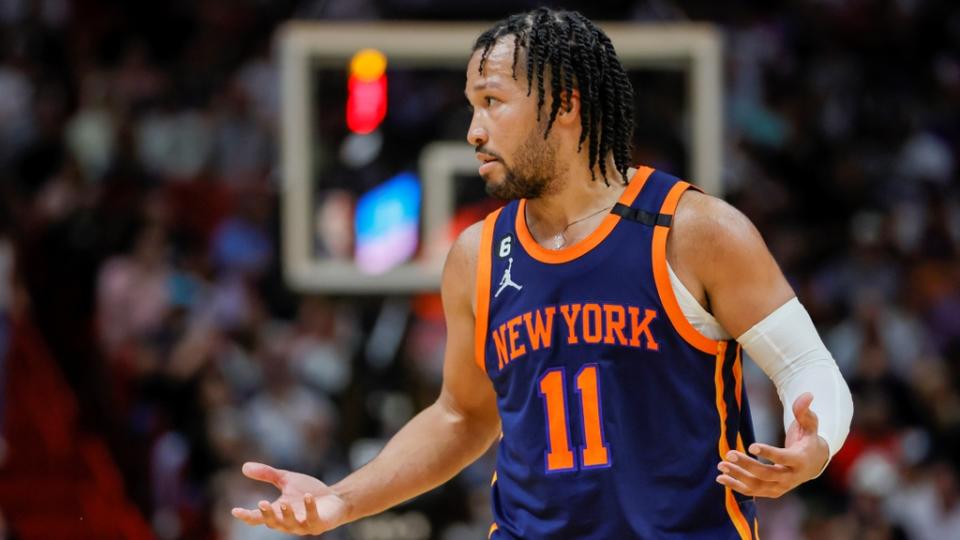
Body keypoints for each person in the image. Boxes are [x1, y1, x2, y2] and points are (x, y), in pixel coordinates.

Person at [232, 8, 853, 538]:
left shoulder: (693, 230)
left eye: (493, 103)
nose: (474, 131)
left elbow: (806, 366)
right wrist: (342, 499)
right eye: (472, 106)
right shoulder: (476, 253)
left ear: (566, 105)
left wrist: (814, 445)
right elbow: (462, 416)